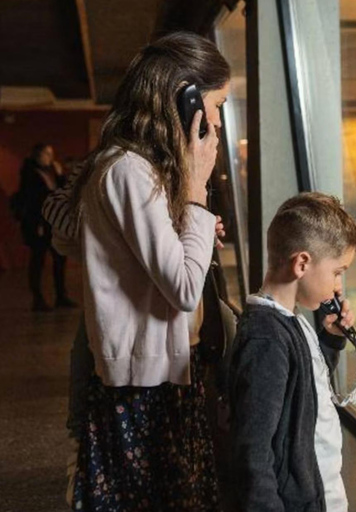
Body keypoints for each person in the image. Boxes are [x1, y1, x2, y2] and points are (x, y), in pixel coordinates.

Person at [66, 32, 230, 511]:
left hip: (164, 373)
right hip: (143, 386)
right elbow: (181, 288)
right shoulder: (128, 172)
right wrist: (197, 190)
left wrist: (191, 222)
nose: (218, 120)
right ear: (186, 99)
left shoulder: (144, 171)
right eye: (216, 104)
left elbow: (165, 266)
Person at [227, 192, 356, 511]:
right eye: (337, 272)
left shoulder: (293, 322)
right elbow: (253, 453)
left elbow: (303, 387)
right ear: (302, 262)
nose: (337, 287)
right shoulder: (266, 339)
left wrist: (331, 340)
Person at [14, 143, 76, 311]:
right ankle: (38, 298)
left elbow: (62, 192)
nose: (50, 157)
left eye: (51, 153)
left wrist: (60, 174)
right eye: (47, 153)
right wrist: (38, 224)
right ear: (38, 155)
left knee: (59, 258)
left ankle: (61, 296)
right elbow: (33, 199)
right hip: (38, 223)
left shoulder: (51, 172)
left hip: (53, 223)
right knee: (38, 260)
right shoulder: (29, 173)